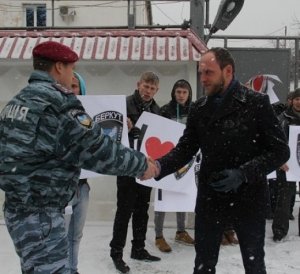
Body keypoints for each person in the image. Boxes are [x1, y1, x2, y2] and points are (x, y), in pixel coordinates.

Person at [0, 41, 157, 274]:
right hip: (42, 215)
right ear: (59, 67)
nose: (72, 75)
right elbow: (97, 149)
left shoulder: (16, 102)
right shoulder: (58, 103)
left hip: (17, 210)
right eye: (72, 68)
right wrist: (141, 164)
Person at [148, 47, 290, 274]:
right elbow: (185, 149)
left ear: (228, 71)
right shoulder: (199, 108)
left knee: (254, 265)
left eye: (209, 72)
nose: (202, 78)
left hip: (249, 198)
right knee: (203, 265)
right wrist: (158, 166)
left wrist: (243, 173)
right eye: (201, 72)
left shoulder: (256, 103)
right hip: (210, 197)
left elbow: (280, 151)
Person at [110, 71, 161, 273]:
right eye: (145, 86)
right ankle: (116, 253)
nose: (148, 91)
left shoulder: (157, 111)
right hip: (126, 166)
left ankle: (138, 249)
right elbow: (110, 133)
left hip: (146, 169)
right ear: (138, 84)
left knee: (142, 210)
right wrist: (124, 126)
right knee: (124, 212)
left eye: (152, 88)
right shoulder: (122, 104)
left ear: (157, 90)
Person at [154, 79, 194, 253]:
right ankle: (158, 235)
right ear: (173, 92)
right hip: (166, 158)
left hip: (186, 160)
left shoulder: (194, 111)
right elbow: (157, 131)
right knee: (162, 197)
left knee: (181, 194)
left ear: (189, 94)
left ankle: (181, 231)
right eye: (178, 92)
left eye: (184, 92)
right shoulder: (164, 110)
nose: (181, 95)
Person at [64, 72, 90, 274]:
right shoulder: (55, 113)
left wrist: (124, 128)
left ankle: (73, 269)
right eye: (70, 86)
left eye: (76, 87)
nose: (73, 91)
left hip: (83, 185)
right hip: (62, 184)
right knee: (59, 233)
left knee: (76, 234)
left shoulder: (91, 115)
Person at [272, 88, 300, 242]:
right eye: (297, 99)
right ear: (292, 100)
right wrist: (280, 160)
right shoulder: (283, 118)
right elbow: (276, 141)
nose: (299, 102)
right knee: (283, 199)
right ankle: (279, 231)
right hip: (287, 165)